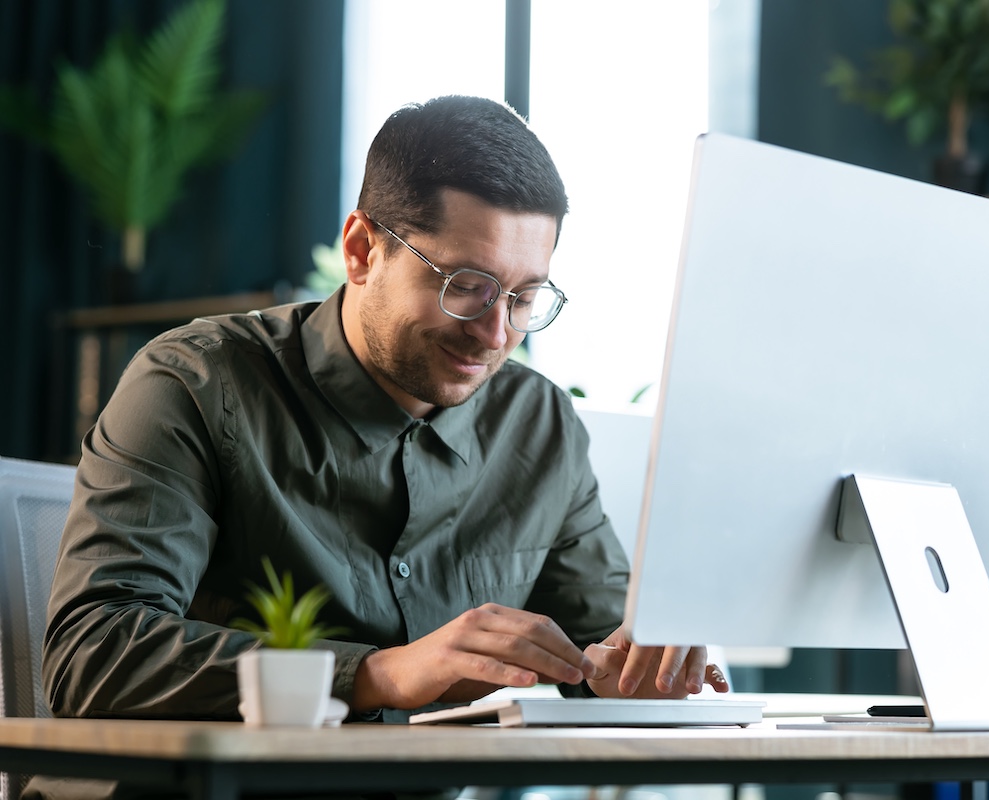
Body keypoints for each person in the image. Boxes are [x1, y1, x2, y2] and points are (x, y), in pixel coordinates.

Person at [40, 94, 728, 743]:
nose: (495, 334)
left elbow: (602, 646)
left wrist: (652, 664)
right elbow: (90, 653)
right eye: (465, 287)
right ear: (363, 251)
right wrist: (379, 673)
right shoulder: (197, 384)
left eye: (523, 298)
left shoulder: (538, 423)